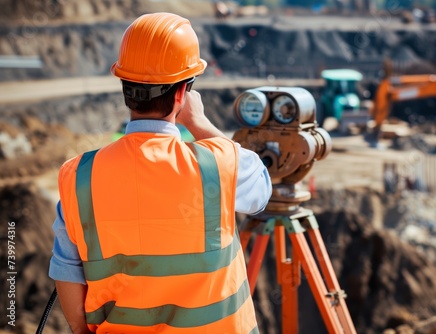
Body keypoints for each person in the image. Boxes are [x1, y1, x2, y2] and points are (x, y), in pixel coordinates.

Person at [49, 12, 272, 333]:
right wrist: (198, 123)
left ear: (125, 86)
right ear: (182, 95)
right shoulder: (218, 163)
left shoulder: (79, 176)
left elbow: (67, 270)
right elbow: (261, 190)